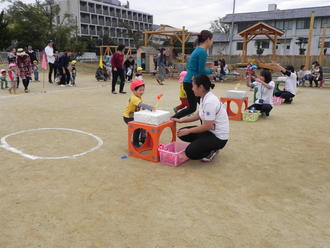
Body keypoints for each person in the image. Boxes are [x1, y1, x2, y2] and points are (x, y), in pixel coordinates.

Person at [171, 75, 229, 162]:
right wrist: (181, 120)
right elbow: (198, 115)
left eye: (193, 86)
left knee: (190, 152)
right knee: (182, 132)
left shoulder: (210, 102)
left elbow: (207, 126)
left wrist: (189, 130)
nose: (192, 89)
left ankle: (212, 150)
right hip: (209, 133)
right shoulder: (204, 98)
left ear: (200, 87)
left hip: (218, 138)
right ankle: (202, 144)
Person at [173, 30, 215, 119]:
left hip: (189, 81)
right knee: (201, 106)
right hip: (192, 83)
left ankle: (173, 118)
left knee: (195, 107)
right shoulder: (202, 51)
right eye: (212, 40)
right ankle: (173, 118)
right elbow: (201, 70)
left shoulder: (197, 49)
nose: (212, 42)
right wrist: (211, 71)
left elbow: (195, 67)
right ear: (208, 39)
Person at [123, 80, 155, 147]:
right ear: (134, 90)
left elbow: (140, 106)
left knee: (143, 125)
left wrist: (144, 108)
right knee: (137, 128)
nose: (142, 92)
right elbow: (141, 104)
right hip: (128, 117)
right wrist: (150, 107)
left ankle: (143, 139)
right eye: (140, 90)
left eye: (143, 90)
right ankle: (135, 143)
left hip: (134, 116)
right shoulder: (134, 98)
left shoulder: (138, 96)